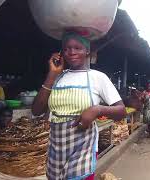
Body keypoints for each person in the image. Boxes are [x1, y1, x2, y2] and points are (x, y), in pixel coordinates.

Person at [32, 31, 126, 180]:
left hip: (83, 149)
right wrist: (52, 74)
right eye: (67, 48)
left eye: (77, 48)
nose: (71, 52)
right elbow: (36, 110)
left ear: (87, 51)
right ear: (61, 52)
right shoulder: (57, 77)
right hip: (56, 149)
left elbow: (121, 111)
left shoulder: (97, 77)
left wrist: (97, 109)